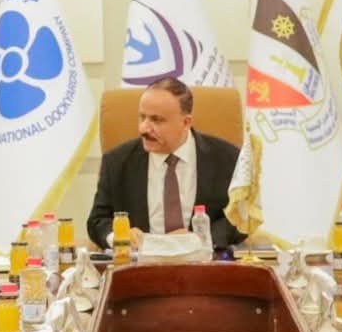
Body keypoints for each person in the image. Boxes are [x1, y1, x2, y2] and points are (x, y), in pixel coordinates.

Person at [86, 77, 243, 249]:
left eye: (157, 120)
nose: (144, 128)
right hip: (141, 260)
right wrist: (119, 236)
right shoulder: (117, 161)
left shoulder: (227, 158)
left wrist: (198, 239)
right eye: (142, 117)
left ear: (185, 122)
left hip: (202, 260)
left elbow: (240, 217)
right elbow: (97, 221)